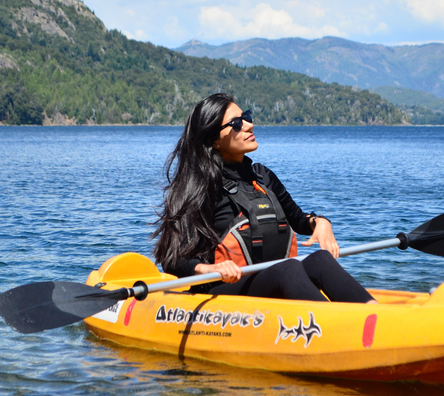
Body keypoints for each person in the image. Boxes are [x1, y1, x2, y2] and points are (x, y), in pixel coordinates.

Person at [153, 93, 376, 303]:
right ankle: (331, 326)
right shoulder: (202, 185)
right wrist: (207, 269)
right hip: (221, 292)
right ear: (214, 141)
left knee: (320, 260)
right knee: (287, 268)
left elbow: (298, 220)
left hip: (270, 283)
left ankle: (374, 314)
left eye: (246, 117)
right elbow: (171, 258)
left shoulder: (262, 176)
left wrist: (320, 222)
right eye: (237, 124)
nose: (249, 125)